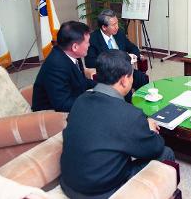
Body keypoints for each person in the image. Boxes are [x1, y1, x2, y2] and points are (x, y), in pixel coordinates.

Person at [60, 49, 174, 198]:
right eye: (132, 75)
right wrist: (149, 130)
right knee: (166, 152)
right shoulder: (129, 114)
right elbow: (154, 148)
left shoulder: (80, 100)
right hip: (102, 192)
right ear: (124, 80)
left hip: (70, 185)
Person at [32, 21, 96, 112]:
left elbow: (81, 81)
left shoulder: (72, 54)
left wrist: (103, 86)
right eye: (87, 42)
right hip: (49, 116)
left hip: (72, 100)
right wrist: (93, 101)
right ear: (75, 47)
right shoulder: (56, 65)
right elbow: (63, 104)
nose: (89, 45)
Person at [85, 9, 149, 93]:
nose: (117, 27)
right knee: (124, 88)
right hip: (108, 75)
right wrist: (114, 61)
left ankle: (141, 103)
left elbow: (133, 47)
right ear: (104, 27)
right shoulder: (93, 39)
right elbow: (89, 62)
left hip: (124, 71)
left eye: (117, 23)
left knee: (142, 78)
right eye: (113, 25)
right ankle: (126, 105)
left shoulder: (119, 33)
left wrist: (133, 56)